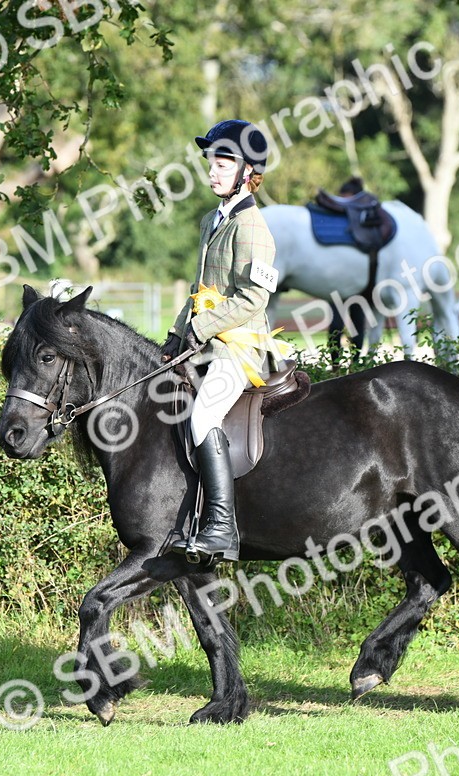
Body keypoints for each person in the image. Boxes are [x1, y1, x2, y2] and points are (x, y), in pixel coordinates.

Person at [161, 119, 280, 564]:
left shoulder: (251, 226)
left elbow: (253, 297)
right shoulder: (211, 221)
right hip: (207, 341)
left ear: (248, 172)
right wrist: (176, 335)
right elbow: (200, 289)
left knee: (204, 414)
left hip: (241, 348)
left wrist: (201, 329)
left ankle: (221, 528)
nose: (212, 171)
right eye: (210, 162)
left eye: (223, 163)